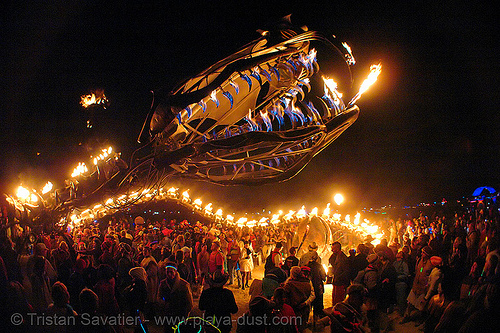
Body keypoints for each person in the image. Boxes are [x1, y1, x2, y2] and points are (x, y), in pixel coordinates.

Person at [158, 262, 193, 333]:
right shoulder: (163, 284)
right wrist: (163, 305)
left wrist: (185, 315)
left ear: (176, 271)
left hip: (180, 315)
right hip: (168, 315)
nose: (169, 274)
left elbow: (189, 302)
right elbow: (159, 297)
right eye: (167, 272)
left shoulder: (184, 285)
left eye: (171, 272)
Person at [283, 266, 315, 332]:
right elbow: (312, 295)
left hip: (294, 309)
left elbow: (284, 294)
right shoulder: (307, 282)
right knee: (302, 327)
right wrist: (305, 303)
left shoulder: (289, 284)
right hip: (304, 309)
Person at [329, 241, 351, 306]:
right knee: (335, 299)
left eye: (333, 249)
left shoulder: (343, 258)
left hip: (341, 282)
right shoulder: (335, 256)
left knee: (339, 300)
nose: (332, 250)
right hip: (337, 281)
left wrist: (339, 278)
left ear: (337, 249)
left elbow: (346, 271)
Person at [307, 252, 326, 319]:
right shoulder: (319, 266)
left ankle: (307, 319)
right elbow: (324, 277)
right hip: (318, 287)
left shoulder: (306, 266)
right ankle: (317, 319)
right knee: (318, 304)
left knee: (309, 304)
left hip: (308, 288)